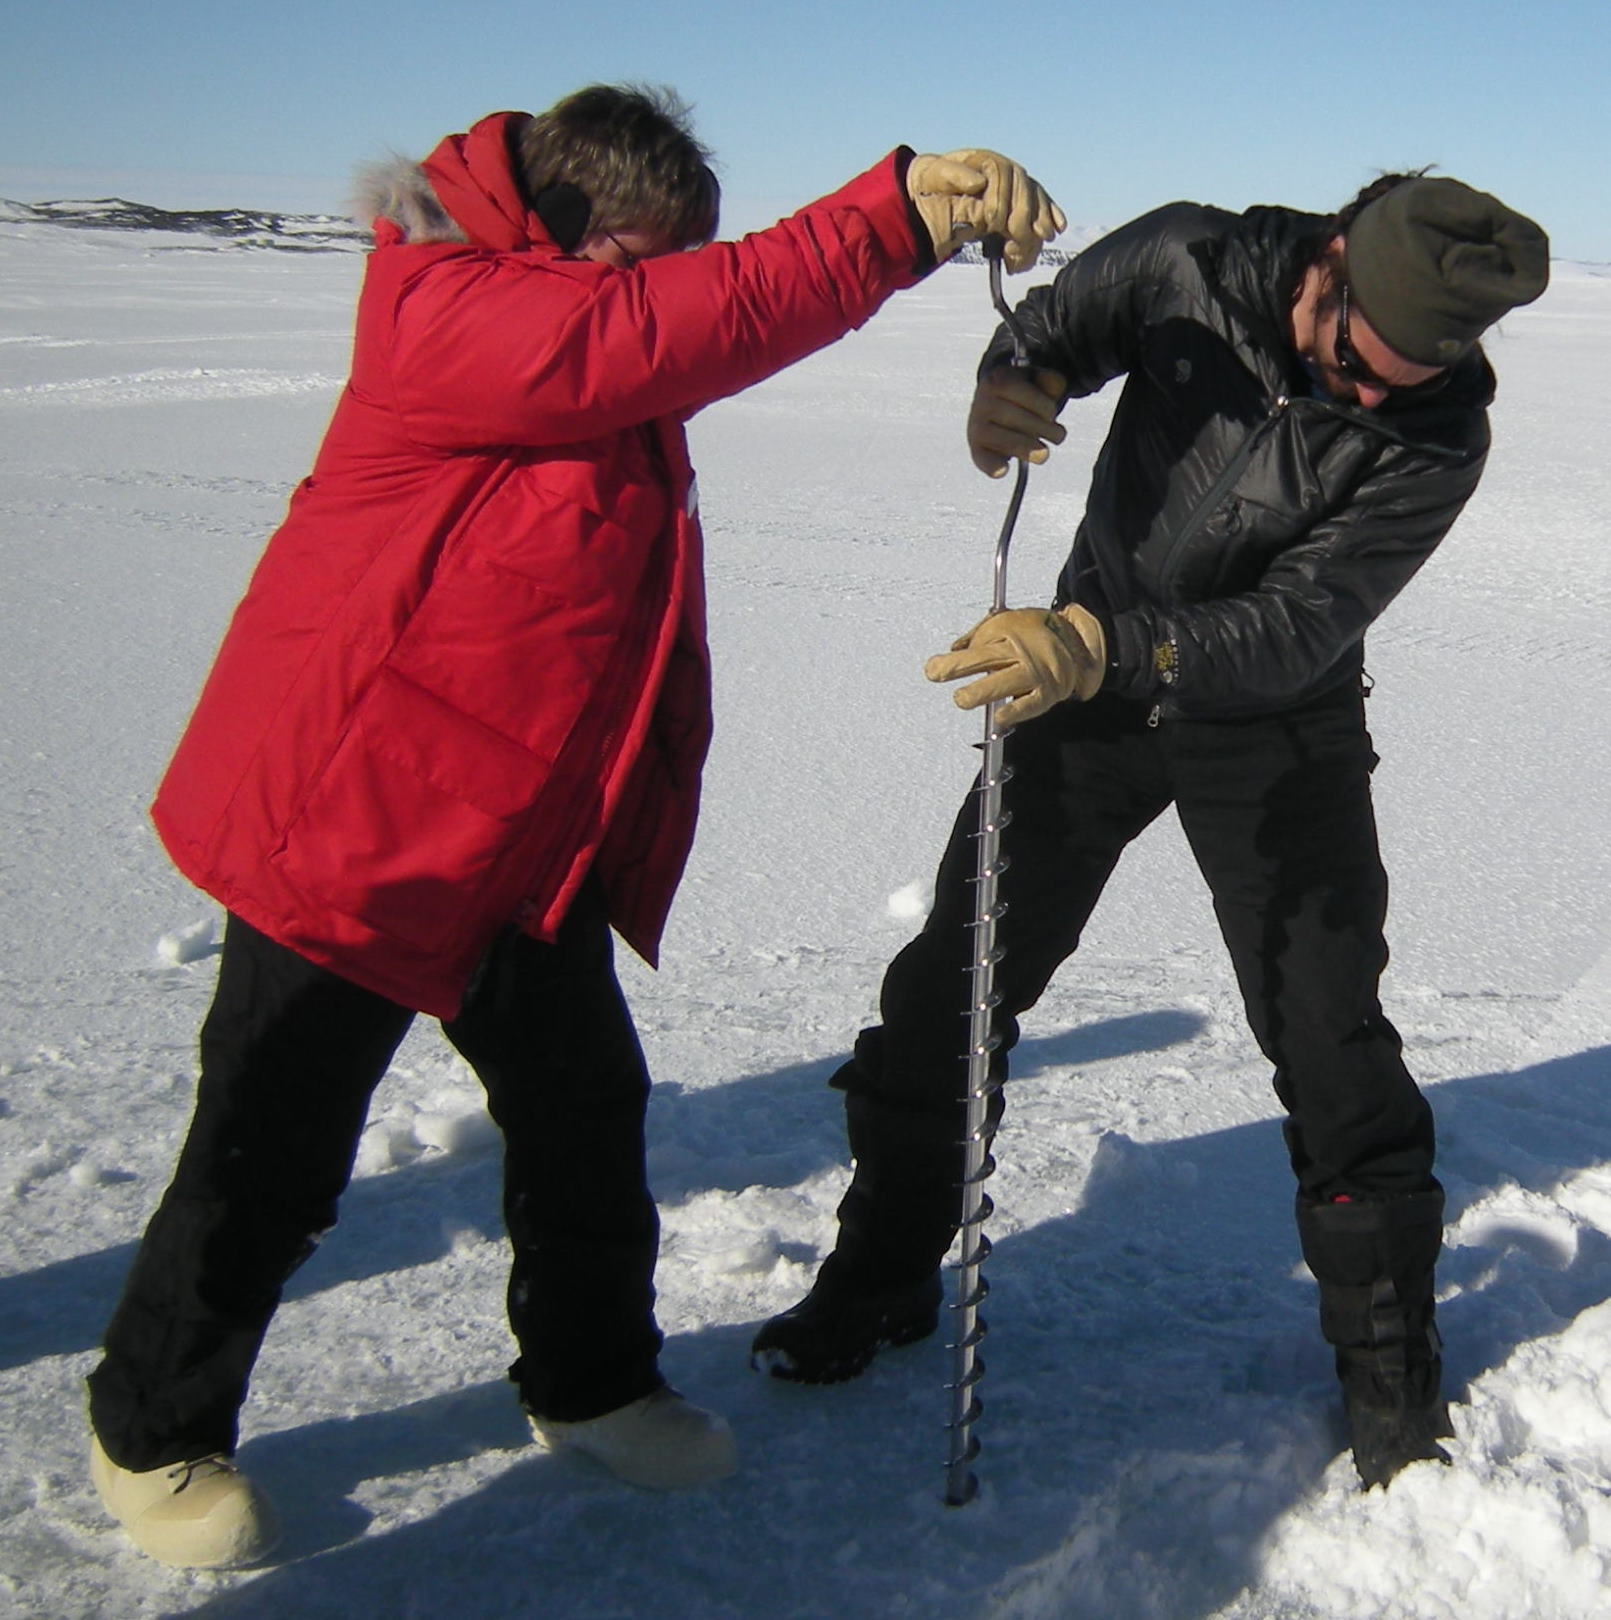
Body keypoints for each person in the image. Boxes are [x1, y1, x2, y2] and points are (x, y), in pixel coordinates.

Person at [85, 83, 1063, 1569]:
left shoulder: (578, 333)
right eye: (640, 260)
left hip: (512, 830)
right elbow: (652, 333)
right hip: (351, 824)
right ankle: (151, 1426)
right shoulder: (446, 310)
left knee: (584, 1114)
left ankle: (592, 1381)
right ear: (566, 229)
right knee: (270, 1141)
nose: (653, 289)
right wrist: (888, 223)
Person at [751, 174, 1549, 1491]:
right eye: (1354, 363)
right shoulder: (1189, 261)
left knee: (1332, 1043)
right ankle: (880, 1278)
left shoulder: (1436, 437)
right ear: (1331, 264)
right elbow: (1055, 327)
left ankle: (1390, 1374)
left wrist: (1099, 646)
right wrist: (1012, 380)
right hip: (1082, 688)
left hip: (1275, 724)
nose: (1366, 397)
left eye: (1401, 383)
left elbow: (1298, 623)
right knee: (952, 986)